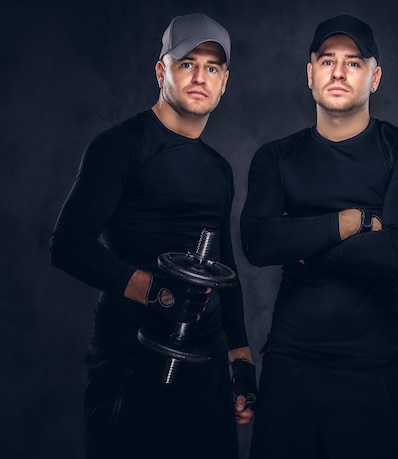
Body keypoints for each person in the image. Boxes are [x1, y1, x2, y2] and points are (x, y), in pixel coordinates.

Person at [50, 13, 257, 459]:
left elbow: (225, 265)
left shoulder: (219, 169)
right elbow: (68, 244)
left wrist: (239, 356)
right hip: (132, 362)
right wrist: (156, 293)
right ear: (162, 70)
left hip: (205, 366)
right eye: (187, 63)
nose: (200, 76)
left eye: (212, 67)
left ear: (225, 82)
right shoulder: (120, 147)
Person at [240, 14, 398, 459]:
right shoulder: (276, 157)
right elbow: (258, 243)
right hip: (290, 367)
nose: (339, 72)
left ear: (375, 77)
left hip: (373, 370)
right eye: (327, 61)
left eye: (354, 62)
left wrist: (300, 242)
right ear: (310, 74)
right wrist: (349, 223)